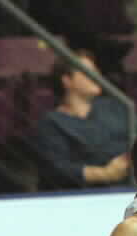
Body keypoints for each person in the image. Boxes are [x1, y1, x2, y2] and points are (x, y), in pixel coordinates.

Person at [35, 50, 131, 188]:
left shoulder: (115, 107)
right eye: (87, 71)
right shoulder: (51, 123)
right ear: (67, 80)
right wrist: (105, 174)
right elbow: (56, 169)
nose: (96, 75)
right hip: (85, 195)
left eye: (96, 71)